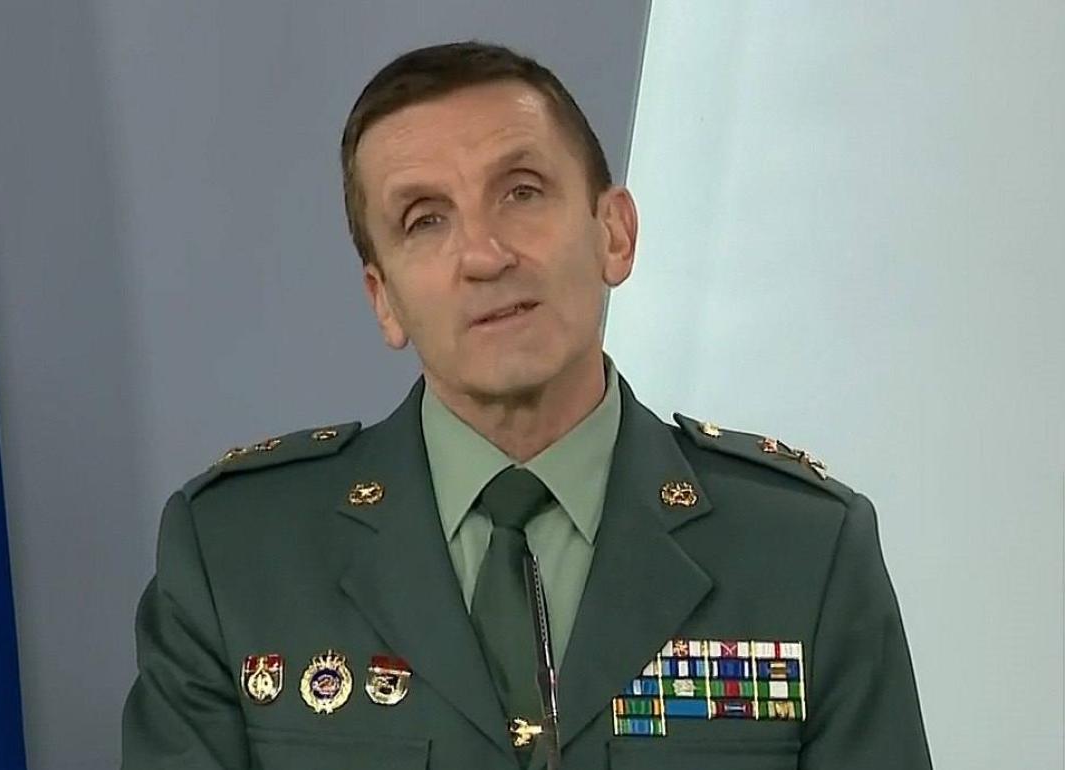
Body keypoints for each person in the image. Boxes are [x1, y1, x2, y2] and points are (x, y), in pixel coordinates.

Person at [121, 41, 933, 769]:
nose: (484, 254)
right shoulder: (236, 559)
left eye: (521, 192)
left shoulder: (804, 553)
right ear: (384, 300)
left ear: (614, 234)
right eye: (425, 221)